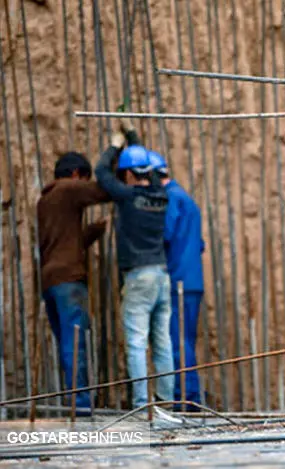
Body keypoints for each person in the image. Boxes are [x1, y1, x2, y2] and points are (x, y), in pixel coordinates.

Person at [95, 120, 174, 409]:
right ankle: (165, 402)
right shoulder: (160, 195)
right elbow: (147, 170)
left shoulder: (128, 197)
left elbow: (101, 173)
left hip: (139, 277)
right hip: (161, 275)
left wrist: (115, 145)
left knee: (137, 343)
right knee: (163, 343)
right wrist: (132, 136)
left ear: (128, 173)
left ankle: (142, 405)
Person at [38, 152, 110, 414]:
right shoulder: (69, 188)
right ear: (77, 174)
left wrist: (92, 232)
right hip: (69, 280)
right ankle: (79, 407)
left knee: (66, 344)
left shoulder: (45, 199)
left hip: (49, 280)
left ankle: (75, 403)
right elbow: (104, 191)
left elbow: (64, 242)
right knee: (75, 344)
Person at [148, 151, 205, 409]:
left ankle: (188, 400)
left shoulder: (170, 198)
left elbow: (164, 233)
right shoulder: (186, 198)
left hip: (178, 281)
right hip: (192, 280)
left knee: (177, 342)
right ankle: (188, 398)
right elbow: (199, 244)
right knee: (185, 340)